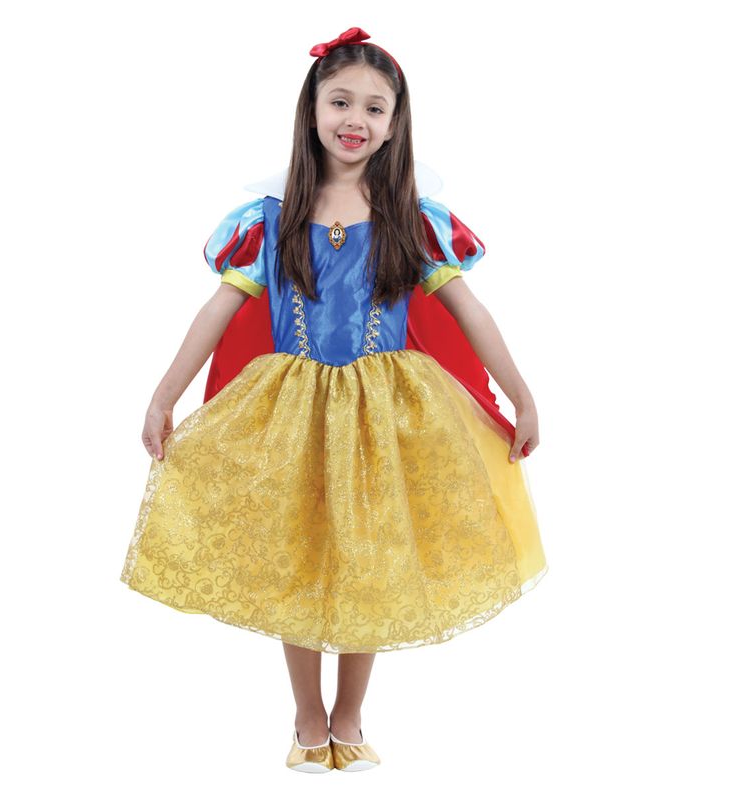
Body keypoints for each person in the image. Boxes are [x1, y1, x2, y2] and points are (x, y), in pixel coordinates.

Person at [119, 26, 548, 773]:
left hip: (385, 416)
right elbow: (217, 312)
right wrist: (164, 395)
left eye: (375, 108)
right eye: (340, 101)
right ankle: (307, 715)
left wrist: (523, 395)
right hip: (294, 411)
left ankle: (349, 714)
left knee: (369, 558)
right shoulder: (270, 217)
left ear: (395, 123)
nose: (356, 119)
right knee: (299, 553)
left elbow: (471, 313)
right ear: (312, 108)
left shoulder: (415, 219)